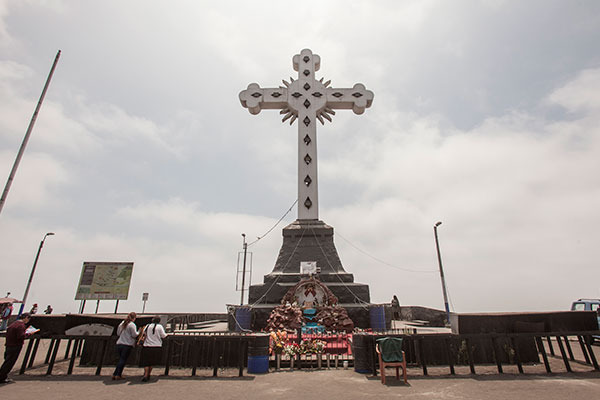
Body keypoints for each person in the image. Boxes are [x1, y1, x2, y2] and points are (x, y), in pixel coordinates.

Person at [0, 313, 32, 384]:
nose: (28, 320)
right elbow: (20, 336)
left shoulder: (13, 324)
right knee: (9, 363)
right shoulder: (21, 325)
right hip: (15, 346)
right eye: (28, 318)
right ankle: (2, 377)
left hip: (9, 345)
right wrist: (28, 334)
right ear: (26, 317)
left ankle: (3, 376)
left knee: (7, 361)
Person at [112, 312, 138, 380]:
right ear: (134, 318)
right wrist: (139, 332)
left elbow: (118, 333)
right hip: (127, 344)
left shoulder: (122, 323)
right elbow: (134, 335)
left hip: (119, 343)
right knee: (123, 360)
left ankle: (115, 374)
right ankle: (118, 374)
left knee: (120, 359)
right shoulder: (132, 325)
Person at [139, 316, 167, 382]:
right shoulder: (160, 327)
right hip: (156, 346)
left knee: (146, 362)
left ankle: (145, 374)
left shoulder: (147, 326)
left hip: (147, 345)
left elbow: (143, 334)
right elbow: (163, 335)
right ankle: (148, 374)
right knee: (151, 362)